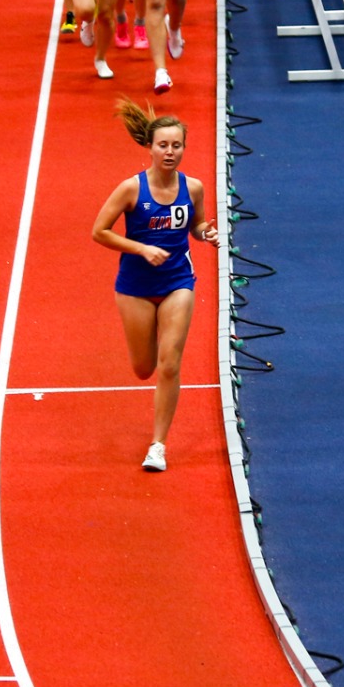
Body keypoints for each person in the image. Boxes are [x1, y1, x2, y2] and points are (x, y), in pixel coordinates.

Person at [92, 97, 219, 472]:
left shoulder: (192, 187)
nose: (170, 152)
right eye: (163, 145)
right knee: (144, 368)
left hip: (178, 281)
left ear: (183, 148)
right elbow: (99, 232)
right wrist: (141, 248)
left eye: (176, 145)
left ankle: (158, 446)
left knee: (169, 363)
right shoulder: (131, 189)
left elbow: (195, 225)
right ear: (149, 147)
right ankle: (156, 433)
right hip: (134, 286)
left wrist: (205, 232)